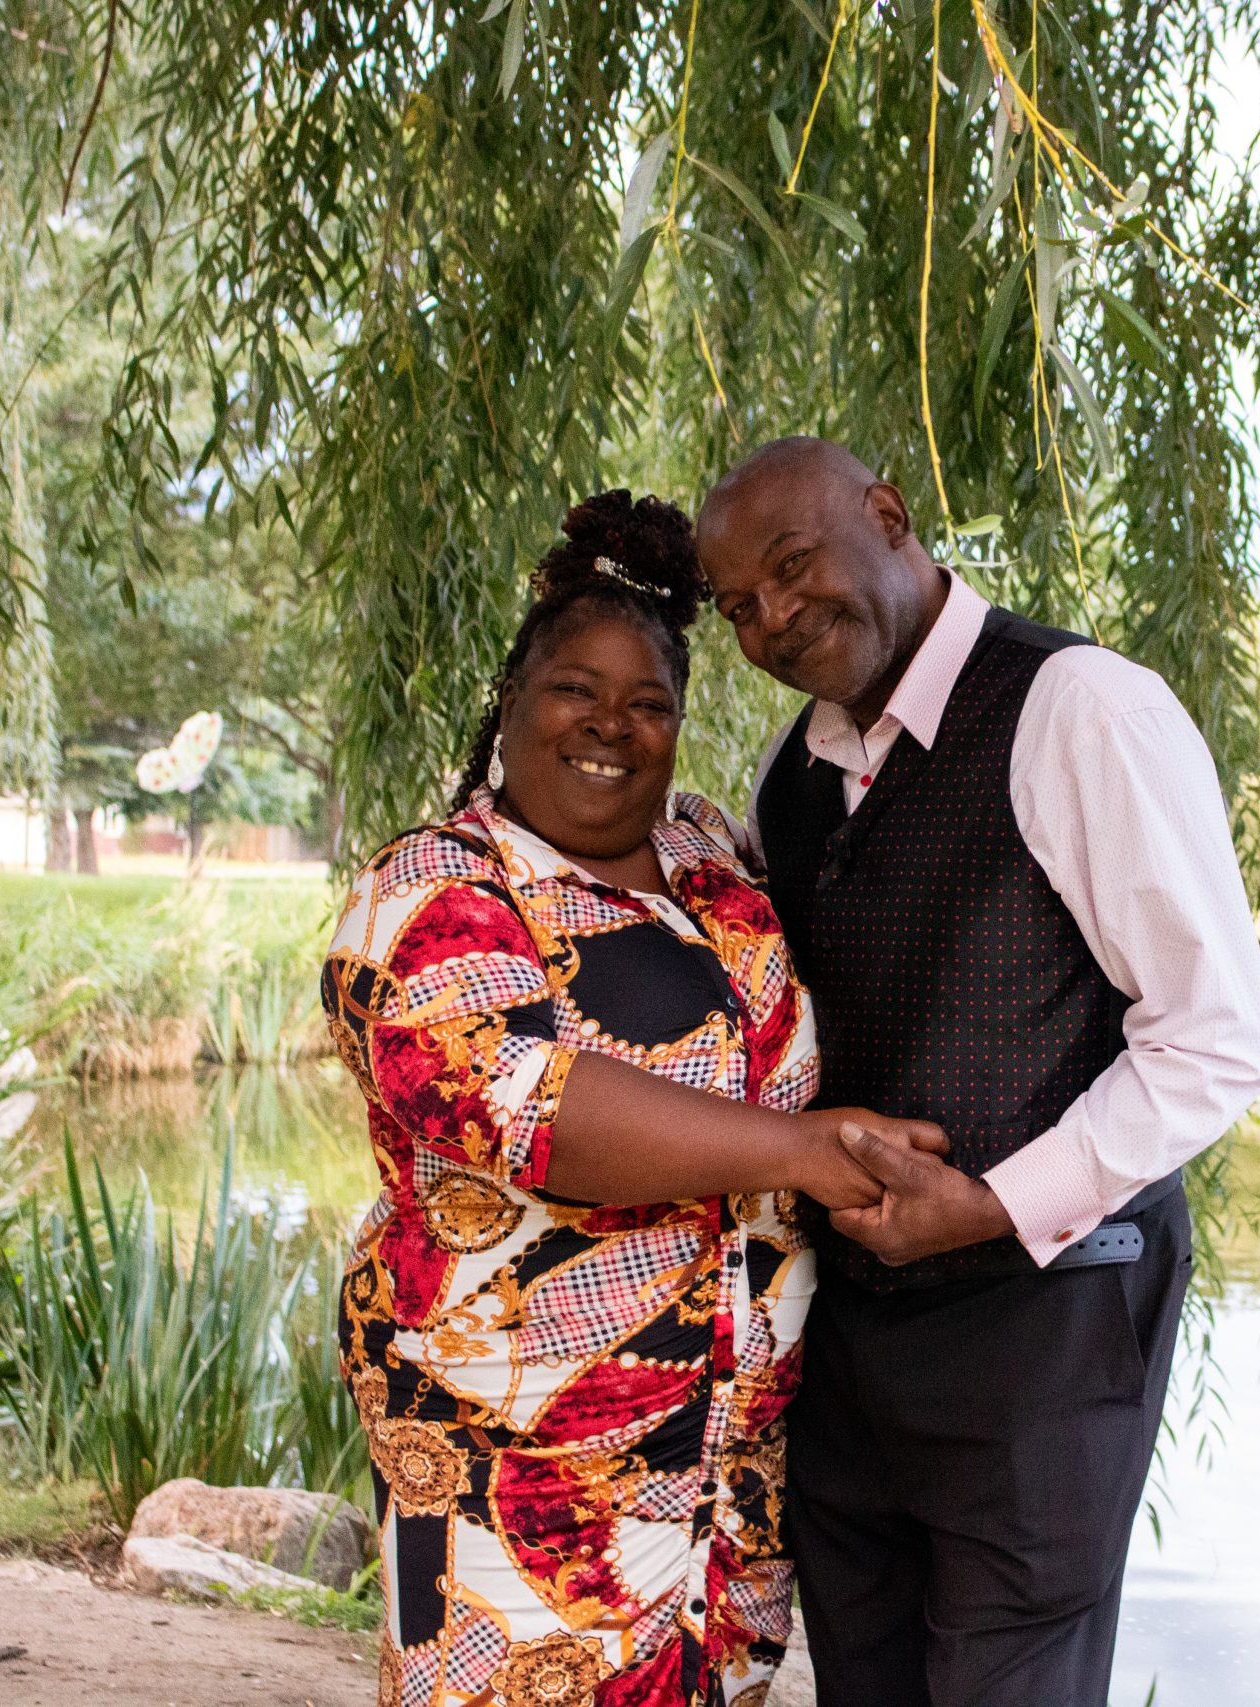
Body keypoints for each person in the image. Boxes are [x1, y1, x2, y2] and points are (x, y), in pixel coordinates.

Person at [320, 490, 940, 1707]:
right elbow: (528, 1109)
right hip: (523, 1480)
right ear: (509, 706)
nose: (612, 724)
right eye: (574, 690)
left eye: (649, 702)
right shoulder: (435, 893)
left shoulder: (712, 858)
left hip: (724, 1491)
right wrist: (801, 1150)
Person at [697, 438, 1260, 1707]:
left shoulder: (1082, 709)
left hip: (1045, 1329)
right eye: (739, 606)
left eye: (791, 570)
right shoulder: (792, 775)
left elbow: (1214, 1032)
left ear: (890, 517)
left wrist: (996, 1203)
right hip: (847, 1345)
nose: (773, 621)